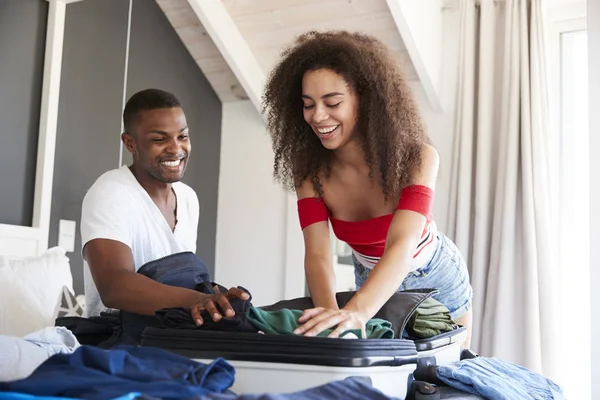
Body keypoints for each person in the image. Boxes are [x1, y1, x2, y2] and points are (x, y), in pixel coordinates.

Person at [262, 31, 473, 346]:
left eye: (332, 102)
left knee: (444, 381)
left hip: (435, 277)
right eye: (308, 105)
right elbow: (317, 255)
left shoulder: (418, 157)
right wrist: (329, 318)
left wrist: (358, 313)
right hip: (369, 280)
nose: (318, 116)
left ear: (367, 98)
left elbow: (401, 245)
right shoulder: (310, 173)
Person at [81, 88, 247, 324]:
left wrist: (215, 297)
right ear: (130, 143)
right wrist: (194, 300)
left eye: (183, 136)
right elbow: (113, 286)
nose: (176, 149)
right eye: (159, 139)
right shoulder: (110, 192)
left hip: (172, 333)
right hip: (119, 341)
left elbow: (177, 280)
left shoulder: (188, 198)